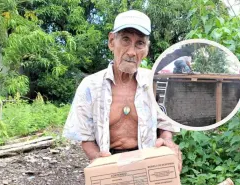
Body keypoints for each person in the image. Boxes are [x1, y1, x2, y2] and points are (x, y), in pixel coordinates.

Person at [62, 10, 182, 172]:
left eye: (139, 43)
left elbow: (165, 125)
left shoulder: (156, 83)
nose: (132, 52)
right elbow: (86, 138)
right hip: (109, 162)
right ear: (112, 41)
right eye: (125, 40)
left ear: (146, 49)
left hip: (149, 160)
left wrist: (166, 142)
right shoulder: (90, 86)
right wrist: (99, 162)